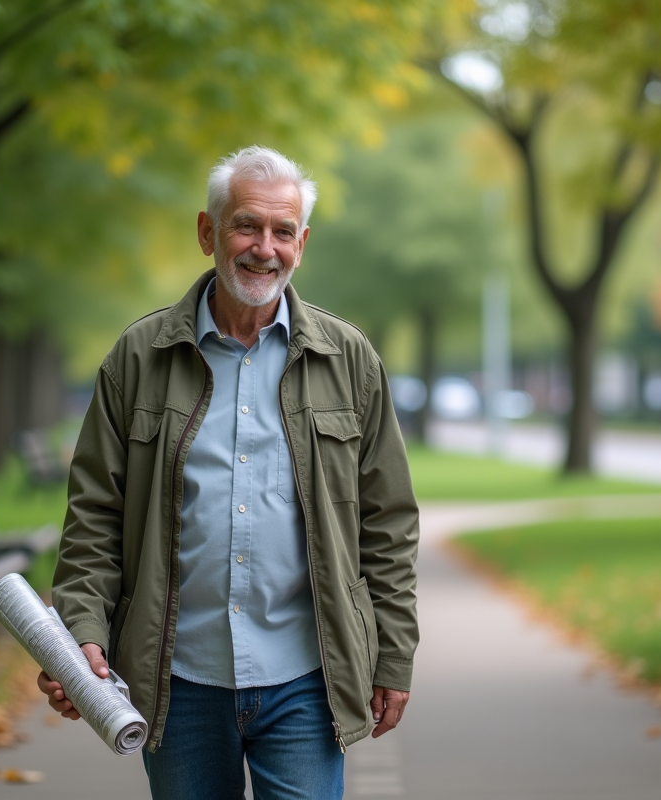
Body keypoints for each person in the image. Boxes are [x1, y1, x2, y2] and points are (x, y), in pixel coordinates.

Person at [37, 145, 420, 800]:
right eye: (247, 225)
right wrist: (83, 635)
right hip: (179, 682)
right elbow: (95, 517)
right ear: (207, 232)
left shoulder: (349, 359)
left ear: (302, 242)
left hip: (307, 679)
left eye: (282, 231)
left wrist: (392, 655)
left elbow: (387, 523)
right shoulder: (139, 356)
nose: (263, 247)